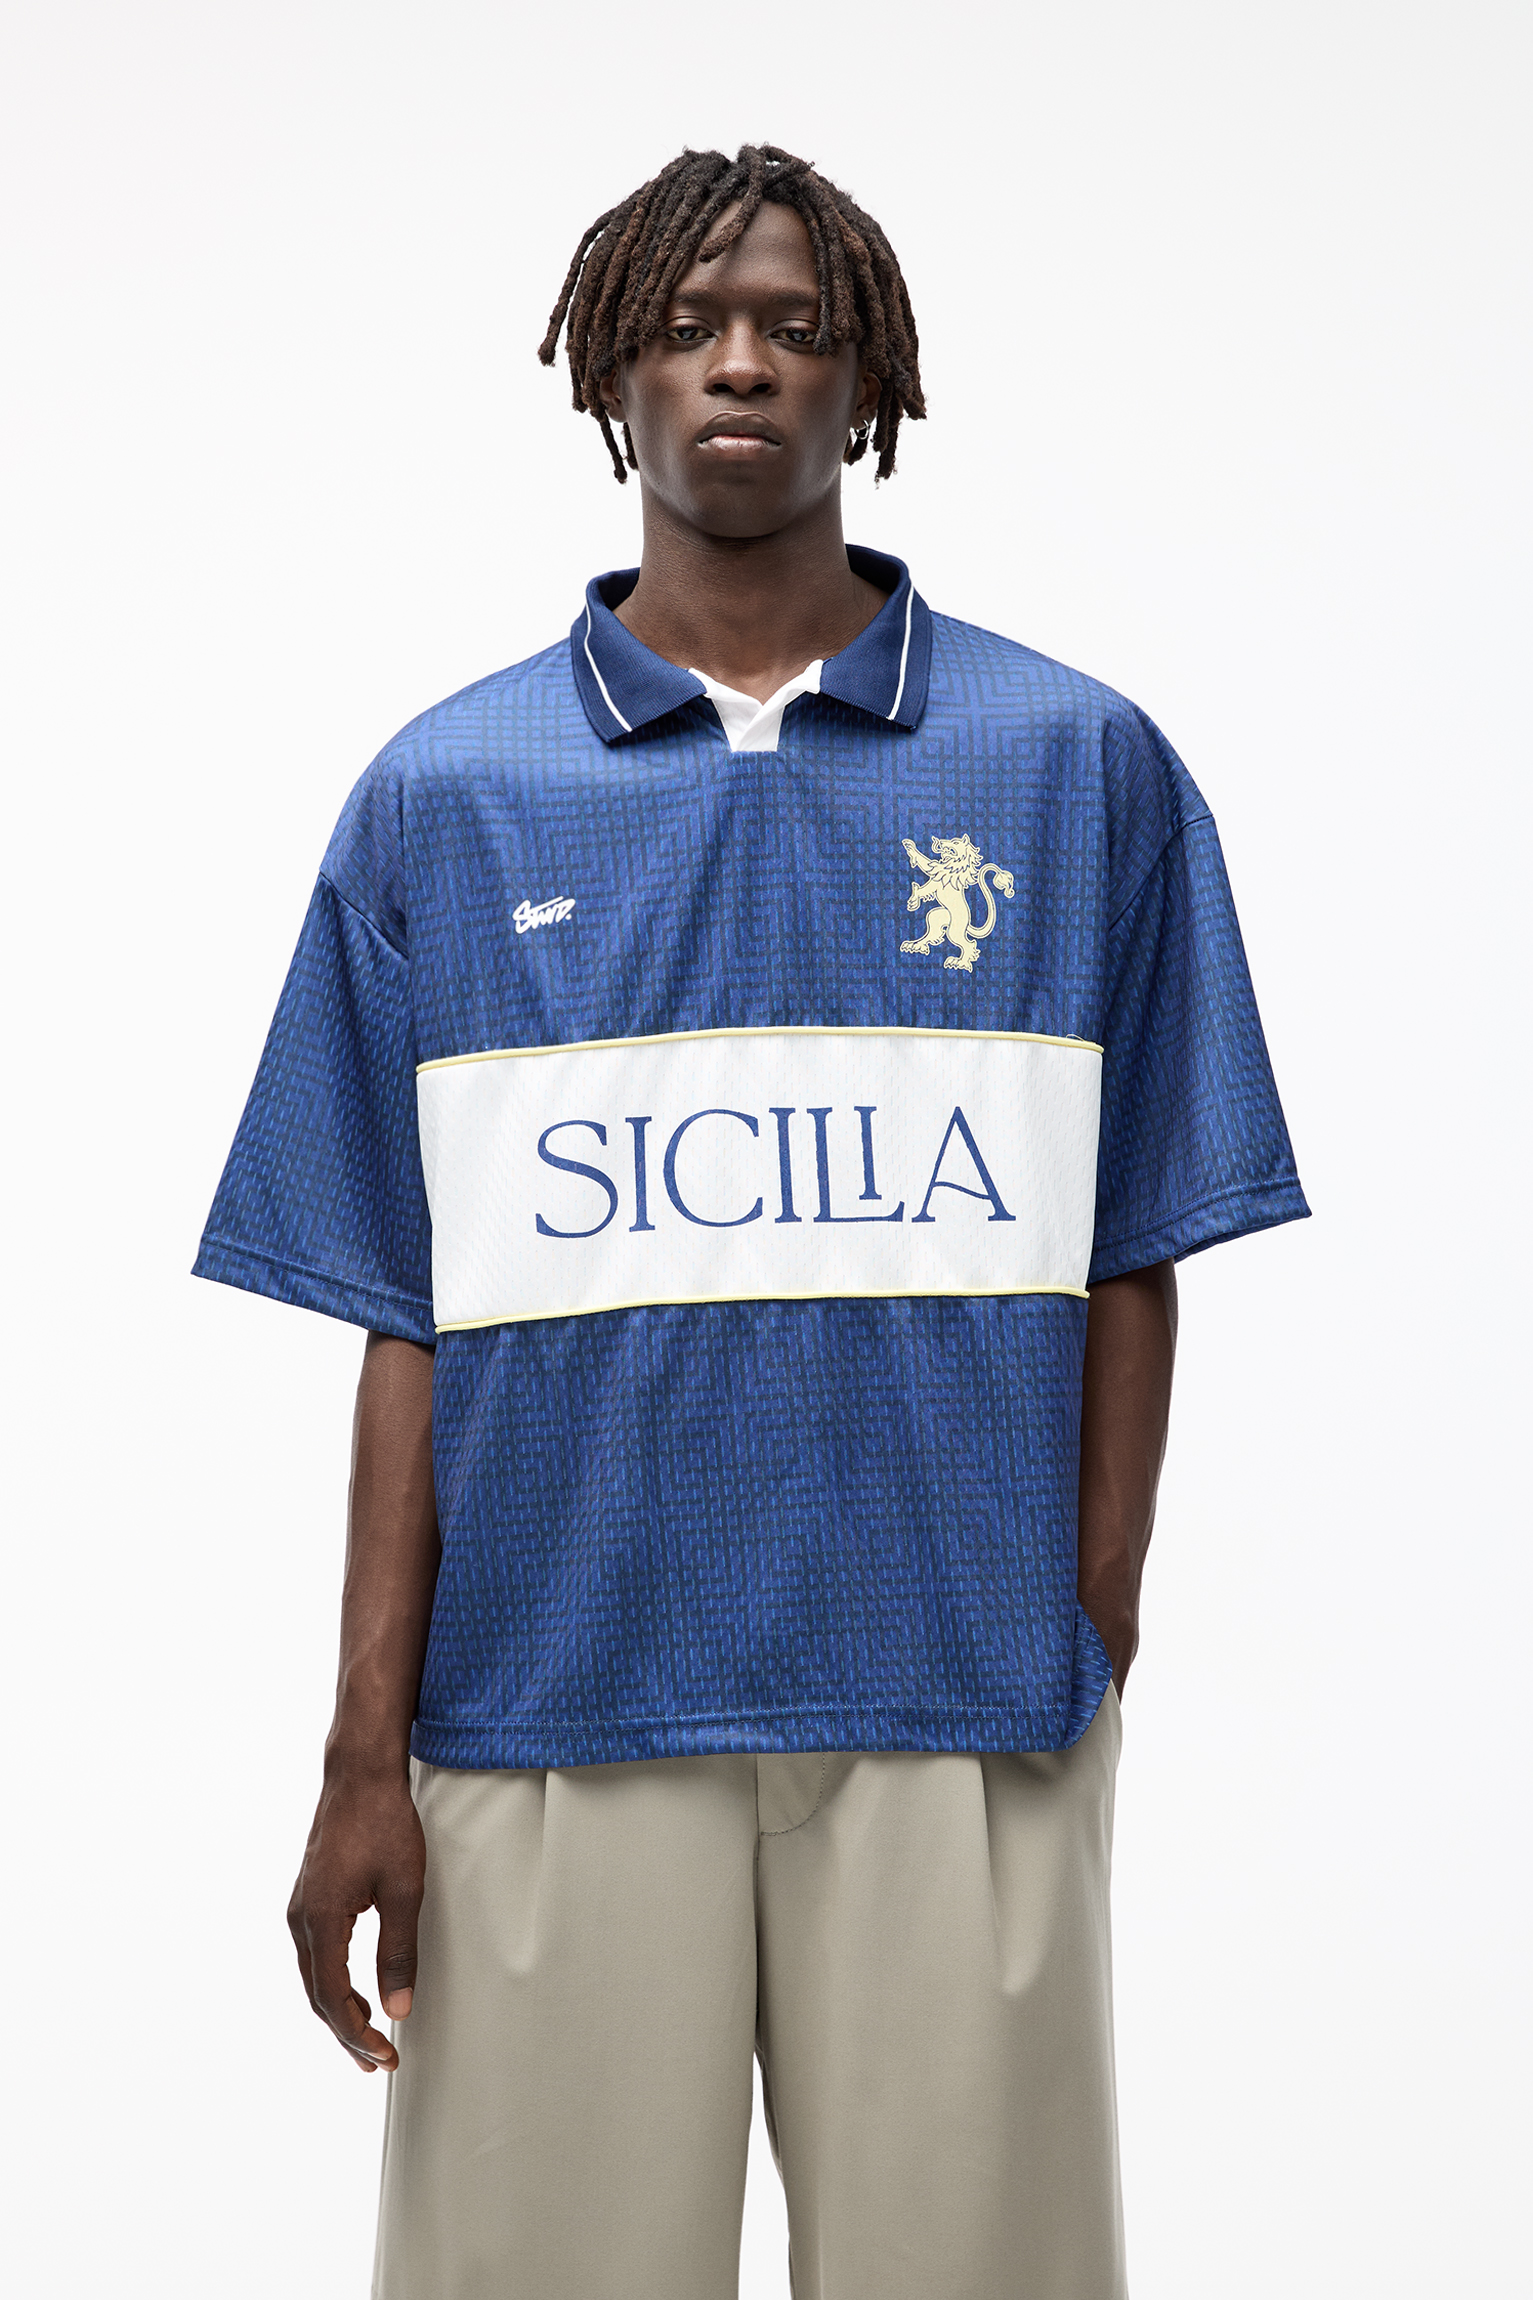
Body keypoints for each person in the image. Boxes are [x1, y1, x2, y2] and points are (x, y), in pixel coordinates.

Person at [195, 143, 1308, 2300]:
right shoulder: (448, 795)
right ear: (609, 374)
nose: (740, 364)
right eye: (689, 323)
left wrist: (1089, 1614)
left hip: (957, 1706)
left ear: (864, 380)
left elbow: (1136, 1239)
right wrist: (359, 1754)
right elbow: (405, 1311)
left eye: (795, 327)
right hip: (547, 1710)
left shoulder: (1074, 766)